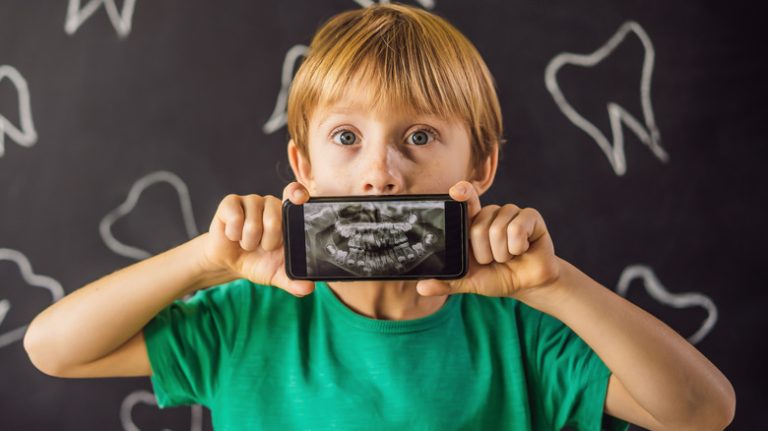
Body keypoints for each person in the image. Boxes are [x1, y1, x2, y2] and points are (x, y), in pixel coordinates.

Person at [23, 3, 735, 430]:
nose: (381, 171)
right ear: (303, 167)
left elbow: (704, 412)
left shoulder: (528, 332)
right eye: (346, 138)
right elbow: (52, 348)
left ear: (480, 168)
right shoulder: (244, 319)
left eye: (419, 137)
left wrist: (555, 286)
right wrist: (204, 260)